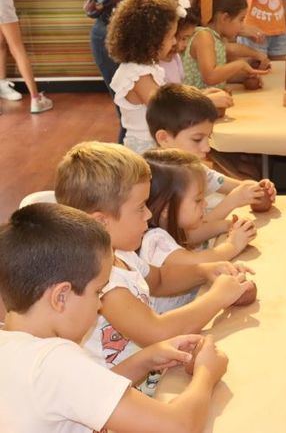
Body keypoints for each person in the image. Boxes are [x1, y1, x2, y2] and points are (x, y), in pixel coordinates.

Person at [0, 202, 230, 433]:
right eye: (97, 292)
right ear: (61, 297)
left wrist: (146, 359)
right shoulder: (54, 361)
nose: (100, 304)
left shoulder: (15, 347)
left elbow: (81, 395)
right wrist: (206, 374)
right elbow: (179, 427)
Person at [54, 141, 251, 370]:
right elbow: (157, 332)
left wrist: (202, 271)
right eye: (140, 207)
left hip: (151, 369)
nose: (148, 214)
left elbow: (160, 279)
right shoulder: (102, 283)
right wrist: (217, 297)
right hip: (131, 389)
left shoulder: (120, 253)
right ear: (101, 223)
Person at [90, 0, 238, 134]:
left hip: (121, 37)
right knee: (138, 118)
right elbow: (163, 105)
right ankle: (129, 168)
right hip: (111, 35)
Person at [146, 83, 277, 232]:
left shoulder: (195, 169)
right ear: (164, 138)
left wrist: (258, 188)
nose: (207, 147)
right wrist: (232, 201)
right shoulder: (159, 181)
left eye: (208, 137)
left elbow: (236, 186)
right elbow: (187, 235)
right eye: (197, 139)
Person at [141, 148, 258, 314]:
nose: (204, 205)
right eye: (198, 200)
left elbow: (192, 236)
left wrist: (224, 226)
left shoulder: (165, 226)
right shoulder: (153, 240)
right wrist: (232, 245)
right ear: (167, 208)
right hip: (177, 325)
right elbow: (196, 261)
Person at [107, 0, 178, 154]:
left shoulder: (146, 68)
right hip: (145, 150)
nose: (174, 42)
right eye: (171, 37)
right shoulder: (138, 75)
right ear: (151, 41)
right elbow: (163, 109)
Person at [0, 0, 53, 113]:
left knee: (1, 43)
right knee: (17, 48)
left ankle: (1, 84)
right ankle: (36, 99)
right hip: (3, 1)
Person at [183, 0, 271, 90]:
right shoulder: (204, 36)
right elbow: (210, 77)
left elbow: (217, 76)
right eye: (241, 19)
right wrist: (240, 65)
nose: (243, 25)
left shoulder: (216, 38)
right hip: (197, 103)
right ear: (225, 18)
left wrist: (244, 76)